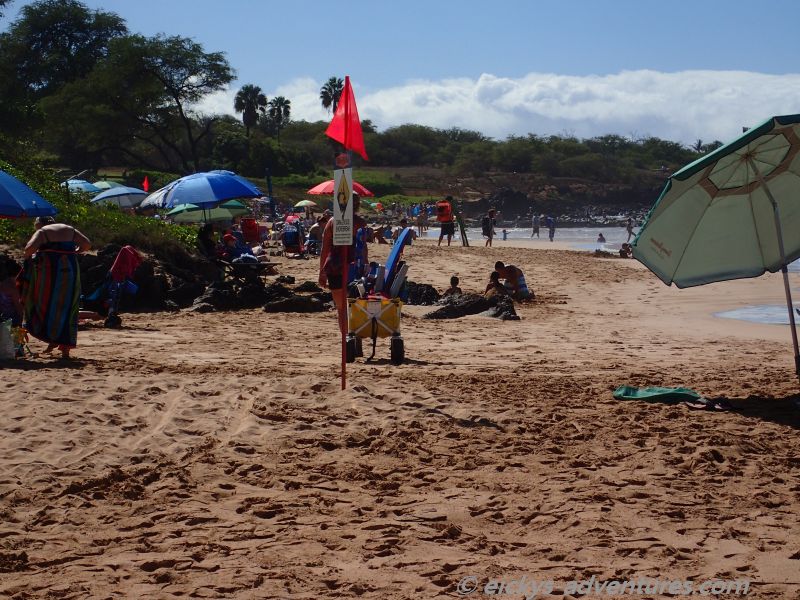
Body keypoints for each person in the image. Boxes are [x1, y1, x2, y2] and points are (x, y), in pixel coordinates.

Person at [20, 217, 91, 359]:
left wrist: (31, 257)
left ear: (40, 224)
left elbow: (29, 249)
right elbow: (87, 244)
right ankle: (64, 349)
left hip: (49, 274)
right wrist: (75, 251)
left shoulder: (43, 232)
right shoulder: (69, 229)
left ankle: (50, 336)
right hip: (70, 271)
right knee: (68, 305)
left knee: (45, 304)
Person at [319, 193, 368, 335]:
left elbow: (325, 249)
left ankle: (346, 339)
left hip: (335, 266)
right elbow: (363, 247)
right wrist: (365, 265)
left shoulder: (332, 222)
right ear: (357, 205)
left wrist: (321, 272)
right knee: (357, 306)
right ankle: (354, 339)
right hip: (354, 266)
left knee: (341, 309)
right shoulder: (360, 222)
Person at [0, 255, 22, 326]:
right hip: (12, 321)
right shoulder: (13, 288)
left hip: (2, 319)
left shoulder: (2, 284)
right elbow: (18, 307)